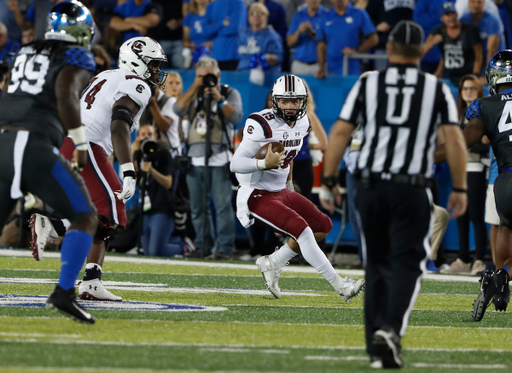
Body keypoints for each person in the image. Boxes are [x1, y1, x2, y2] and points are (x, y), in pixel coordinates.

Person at [321, 21, 468, 368]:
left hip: (371, 186)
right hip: (410, 187)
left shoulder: (369, 84)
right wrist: (460, 187)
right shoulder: (435, 87)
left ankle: (376, 349)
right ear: (421, 51)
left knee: (376, 265)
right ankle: (389, 330)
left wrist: (329, 179)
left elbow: (341, 131)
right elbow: (456, 139)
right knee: (409, 263)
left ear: (388, 51)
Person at [0, 0, 98, 323]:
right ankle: (63, 292)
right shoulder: (74, 55)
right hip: (31, 143)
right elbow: (65, 93)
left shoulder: (26, 49)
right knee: (84, 215)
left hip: (5, 138)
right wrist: (80, 142)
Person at [231, 74, 364, 300]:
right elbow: (235, 164)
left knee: (323, 225)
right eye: (285, 101)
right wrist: (263, 163)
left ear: (303, 101)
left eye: (295, 101)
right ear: (275, 100)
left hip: (280, 190)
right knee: (301, 229)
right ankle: (340, 286)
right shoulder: (260, 123)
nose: (290, 107)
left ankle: (274, 262)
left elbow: (289, 155)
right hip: (256, 194)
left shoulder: (304, 122)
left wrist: (289, 185)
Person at [58, 36, 167, 302]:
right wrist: (128, 170)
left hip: (72, 144)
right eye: (152, 65)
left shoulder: (107, 75)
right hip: (88, 147)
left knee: (99, 217)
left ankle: (91, 282)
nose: (156, 71)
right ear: (137, 61)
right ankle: (54, 224)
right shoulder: (137, 84)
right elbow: (119, 124)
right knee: (115, 215)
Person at [435, 49, 512, 321]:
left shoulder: (485, 105)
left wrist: (426, 156)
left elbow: (461, 143)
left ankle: (498, 273)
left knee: (505, 224)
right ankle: (501, 276)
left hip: (504, 181)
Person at [173, 57, 242, 259]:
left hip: (220, 157)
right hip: (194, 158)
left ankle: (225, 248)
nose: (204, 80)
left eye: (208, 76)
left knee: (222, 207)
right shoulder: (194, 94)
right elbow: (177, 109)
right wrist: (195, 86)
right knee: (197, 207)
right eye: (200, 77)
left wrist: (219, 98)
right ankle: (203, 245)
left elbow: (237, 118)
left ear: (218, 75)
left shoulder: (229, 93)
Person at [441, 74, 488, 275]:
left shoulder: (485, 111)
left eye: (472, 88)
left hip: (477, 168)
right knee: (460, 215)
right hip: (459, 169)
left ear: (479, 90)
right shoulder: (457, 114)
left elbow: (486, 144)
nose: (467, 92)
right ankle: (462, 258)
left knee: (476, 215)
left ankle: (479, 260)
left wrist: (466, 146)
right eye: (464, 88)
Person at [132, 125, 191, 257]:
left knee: (156, 252)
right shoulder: (139, 155)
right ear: (137, 138)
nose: (146, 137)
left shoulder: (164, 154)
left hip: (162, 208)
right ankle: (171, 240)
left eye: (150, 134)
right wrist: (134, 156)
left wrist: (152, 171)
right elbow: (135, 180)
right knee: (147, 253)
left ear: (156, 137)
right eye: (143, 134)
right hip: (145, 210)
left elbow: (168, 183)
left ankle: (184, 247)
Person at [422, 2, 483, 86]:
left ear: (457, 15)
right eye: (447, 14)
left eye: (452, 13)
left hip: (466, 77)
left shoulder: (470, 30)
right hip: (448, 78)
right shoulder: (439, 31)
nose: (451, 17)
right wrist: (432, 42)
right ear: (442, 18)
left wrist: (475, 75)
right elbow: (423, 50)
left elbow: (478, 55)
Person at [315, 0, 378, 78]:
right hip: (331, 69)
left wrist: (356, 50)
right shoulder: (325, 17)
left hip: (354, 67)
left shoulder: (359, 13)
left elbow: (374, 39)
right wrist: (321, 68)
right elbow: (321, 45)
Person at [237, 3, 283, 73]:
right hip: (242, 73)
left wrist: (266, 58)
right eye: (253, 13)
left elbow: (279, 58)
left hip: (264, 75)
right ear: (248, 16)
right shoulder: (242, 34)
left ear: (266, 17)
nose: (256, 16)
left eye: (260, 13)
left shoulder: (272, 36)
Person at [460, 0, 505, 72]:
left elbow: (492, 49)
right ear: (468, 3)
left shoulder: (492, 20)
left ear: (483, 3)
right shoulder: (464, 19)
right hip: (475, 60)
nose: (475, 5)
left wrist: (489, 73)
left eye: (479, 2)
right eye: (472, 2)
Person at [201, 0, 247, 71]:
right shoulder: (211, 5)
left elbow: (235, 28)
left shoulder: (238, 3)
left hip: (234, 52)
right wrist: (221, 23)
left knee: (233, 81)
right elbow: (205, 30)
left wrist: (215, 30)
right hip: (216, 53)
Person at [287, 0, 328, 75]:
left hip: (319, 65)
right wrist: (299, 31)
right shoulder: (298, 16)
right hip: (299, 65)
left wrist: (311, 33)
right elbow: (289, 42)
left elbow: (329, 41)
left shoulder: (327, 15)